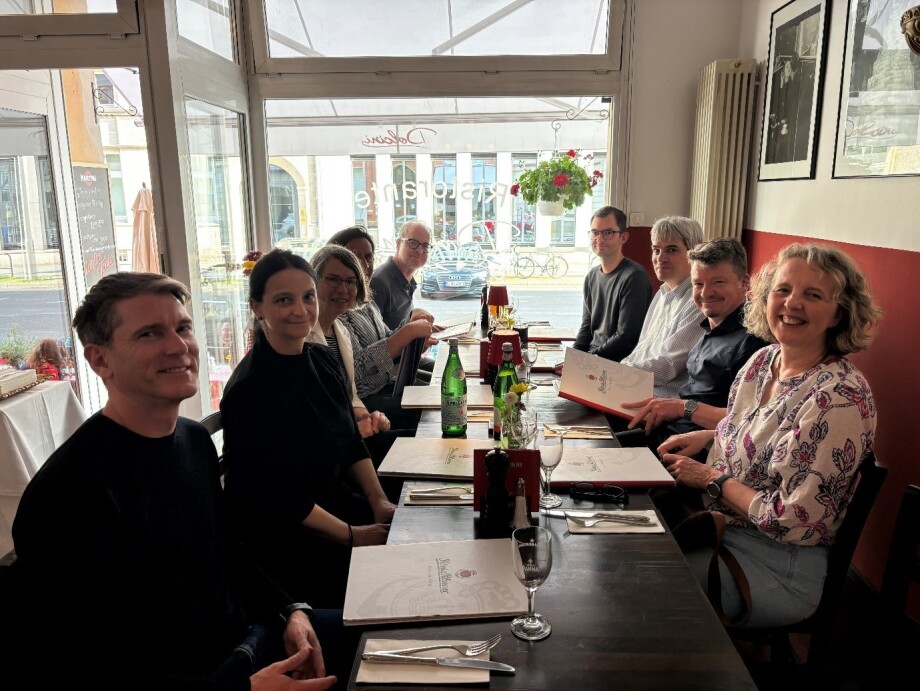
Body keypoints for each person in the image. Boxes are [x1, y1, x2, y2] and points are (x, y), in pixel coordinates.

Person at [2, 272, 336, 690]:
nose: (178, 346)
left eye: (182, 328)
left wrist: (290, 609)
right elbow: (80, 665)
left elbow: (227, 550)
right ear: (100, 360)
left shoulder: (193, 439)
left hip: (256, 637)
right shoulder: (67, 493)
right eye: (149, 334)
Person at [658, 243, 882, 628]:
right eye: (783, 290)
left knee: (647, 585)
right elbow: (760, 434)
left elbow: (792, 520)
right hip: (722, 528)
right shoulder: (764, 362)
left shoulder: (838, 398)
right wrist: (713, 435)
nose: (792, 303)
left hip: (779, 561)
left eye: (813, 295)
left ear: (840, 312)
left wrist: (711, 479)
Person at [220, 249, 396, 609]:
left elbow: (349, 441)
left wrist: (378, 501)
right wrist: (353, 536)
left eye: (307, 297)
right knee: (401, 589)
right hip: (290, 541)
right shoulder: (249, 390)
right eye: (283, 300)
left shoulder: (319, 358)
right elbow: (278, 498)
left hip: (336, 507)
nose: (300, 311)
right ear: (257, 307)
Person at [621, 238, 768, 450]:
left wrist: (684, 408)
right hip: (665, 431)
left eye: (718, 282)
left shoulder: (753, 342)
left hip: (695, 452)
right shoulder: (709, 328)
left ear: (744, 283)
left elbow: (753, 422)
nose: (706, 293)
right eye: (698, 284)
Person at [327, 226, 435, 424]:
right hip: (368, 398)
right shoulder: (336, 310)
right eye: (354, 256)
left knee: (445, 389)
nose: (363, 264)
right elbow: (357, 370)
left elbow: (387, 336)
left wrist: (411, 321)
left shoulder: (364, 301)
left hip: (388, 383)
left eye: (368, 257)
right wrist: (406, 333)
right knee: (436, 410)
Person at [620, 215, 705, 399]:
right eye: (656, 250)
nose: (660, 258)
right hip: (633, 392)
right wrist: (612, 372)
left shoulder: (697, 302)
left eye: (671, 250)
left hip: (659, 406)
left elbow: (668, 366)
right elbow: (641, 350)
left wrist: (616, 373)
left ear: (694, 253)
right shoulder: (661, 294)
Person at [572, 206, 652, 361]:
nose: (599, 238)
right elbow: (586, 328)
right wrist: (574, 358)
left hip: (618, 366)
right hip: (593, 360)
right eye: (595, 232)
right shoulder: (591, 277)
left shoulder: (634, 277)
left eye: (608, 233)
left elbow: (626, 337)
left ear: (623, 237)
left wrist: (587, 361)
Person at [371, 220, 435, 330]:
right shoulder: (378, 282)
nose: (419, 250)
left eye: (425, 246)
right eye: (413, 243)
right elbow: (374, 342)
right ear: (398, 244)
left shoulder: (407, 281)